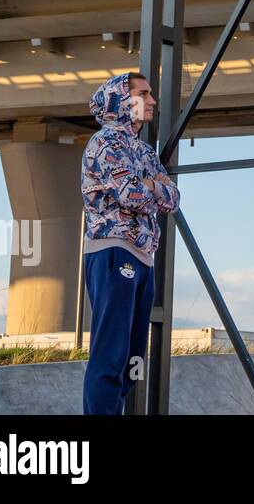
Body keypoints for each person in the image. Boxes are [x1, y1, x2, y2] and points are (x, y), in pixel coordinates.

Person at [80, 72, 180, 415]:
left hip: (144, 255)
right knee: (110, 353)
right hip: (112, 249)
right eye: (144, 94)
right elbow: (132, 195)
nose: (152, 101)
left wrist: (150, 187)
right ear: (121, 100)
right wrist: (152, 187)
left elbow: (173, 200)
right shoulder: (104, 143)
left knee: (133, 358)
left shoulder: (143, 151)